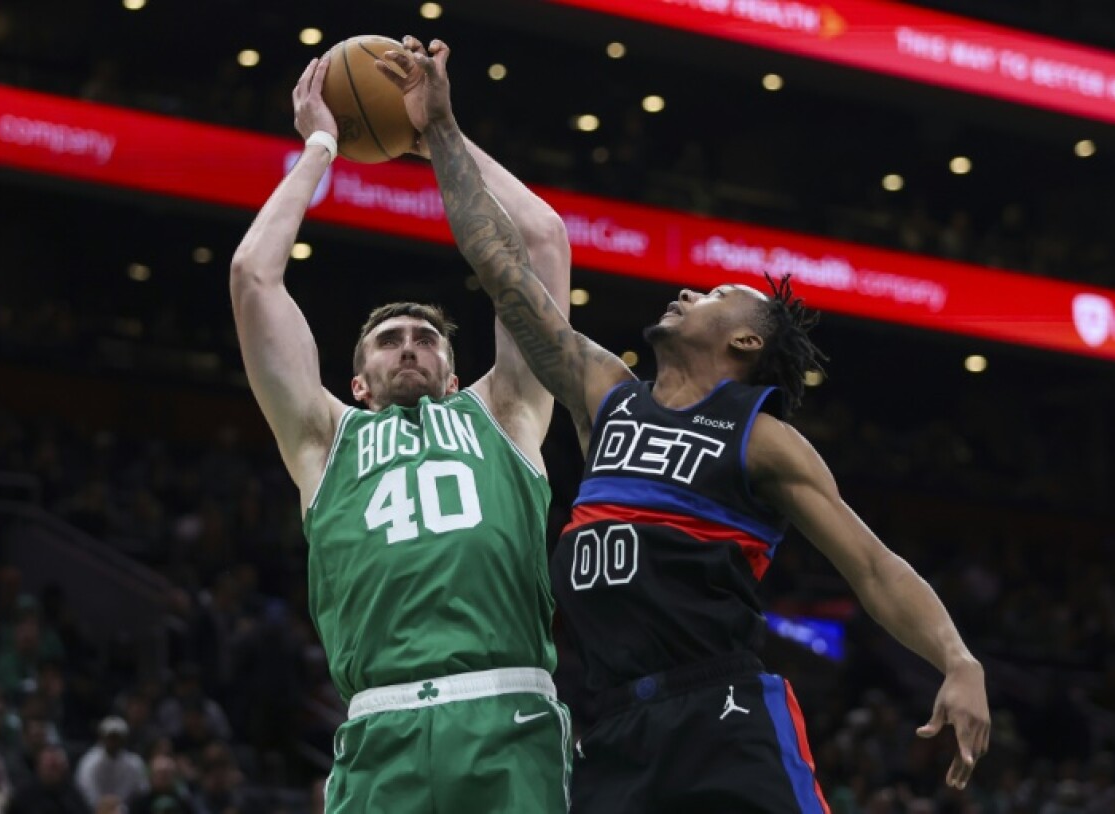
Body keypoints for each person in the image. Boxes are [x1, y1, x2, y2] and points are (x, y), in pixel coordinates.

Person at [378, 36, 991, 813]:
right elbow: (500, 268)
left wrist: (957, 657)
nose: (687, 290)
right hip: (610, 726)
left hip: (722, 714)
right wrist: (440, 134)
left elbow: (870, 566)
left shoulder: (759, 437)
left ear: (746, 340)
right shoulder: (606, 393)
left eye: (714, 293)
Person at [230, 52, 572, 813]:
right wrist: (320, 144)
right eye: (389, 340)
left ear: (454, 376)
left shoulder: (505, 411)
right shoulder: (324, 440)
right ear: (357, 383)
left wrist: (440, 137)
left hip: (506, 714)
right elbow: (254, 278)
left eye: (426, 337)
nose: (409, 344)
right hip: (379, 728)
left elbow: (543, 239)